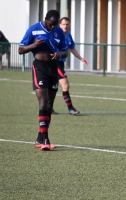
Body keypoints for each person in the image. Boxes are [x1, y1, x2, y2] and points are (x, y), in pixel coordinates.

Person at [18, 10, 68, 150]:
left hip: (53, 68)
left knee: (50, 104)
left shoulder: (58, 31)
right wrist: (35, 45)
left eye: (54, 25)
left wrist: (59, 53)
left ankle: (40, 137)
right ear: (45, 19)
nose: (52, 27)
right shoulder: (33, 30)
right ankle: (45, 140)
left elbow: (65, 51)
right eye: (50, 24)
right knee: (43, 102)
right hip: (39, 68)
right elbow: (20, 49)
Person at [52, 17, 88, 115]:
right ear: (59, 25)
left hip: (60, 63)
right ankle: (70, 108)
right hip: (55, 63)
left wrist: (81, 58)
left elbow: (72, 48)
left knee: (53, 87)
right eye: (63, 24)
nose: (65, 26)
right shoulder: (55, 34)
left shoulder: (68, 35)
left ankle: (49, 108)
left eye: (67, 24)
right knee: (65, 85)